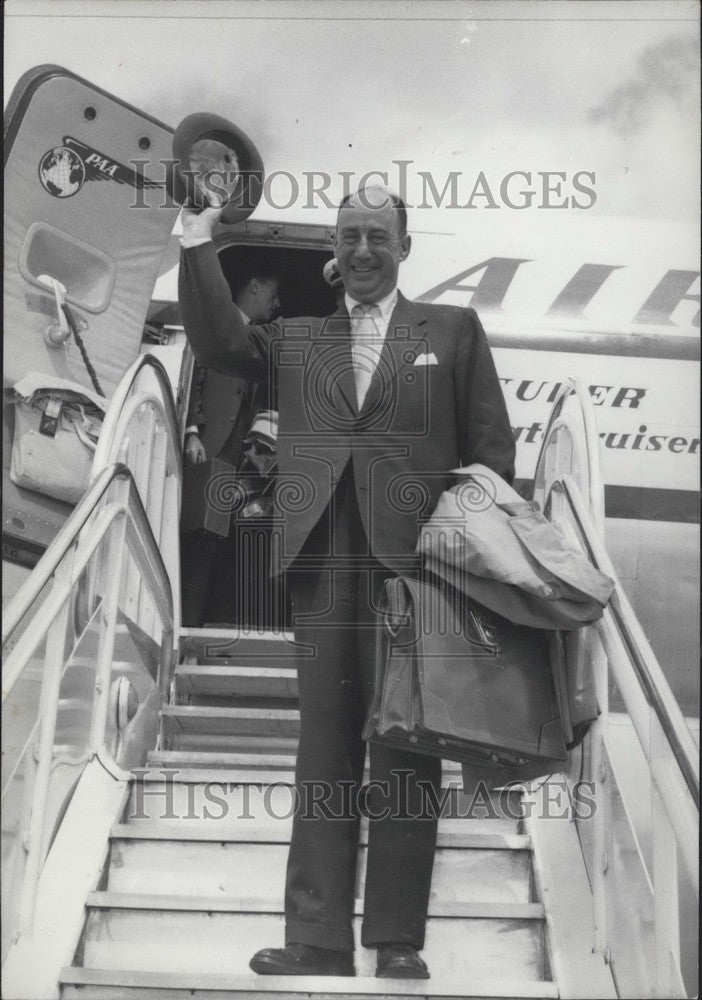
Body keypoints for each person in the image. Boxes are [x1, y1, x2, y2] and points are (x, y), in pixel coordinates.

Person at [179, 185, 515, 979]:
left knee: (406, 747)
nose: (363, 249)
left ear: (405, 246)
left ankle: (397, 939)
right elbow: (222, 341)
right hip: (324, 563)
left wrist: (461, 552)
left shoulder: (453, 331)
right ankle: (317, 938)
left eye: (377, 236)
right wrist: (196, 240)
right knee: (324, 747)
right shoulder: (297, 338)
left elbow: (491, 453)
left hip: (417, 569)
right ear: (334, 248)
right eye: (349, 235)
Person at [180, 261, 280, 627]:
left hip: (237, 463)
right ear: (254, 286)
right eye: (273, 295)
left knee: (215, 542)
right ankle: (184, 622)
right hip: (209, 449)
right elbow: (194, 375)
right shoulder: (216, 328)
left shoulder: (260, 341)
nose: (276, 304)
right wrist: (192, 430)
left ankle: (197, 622)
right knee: (195, 537)